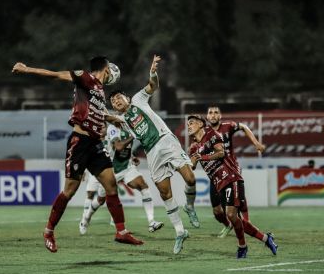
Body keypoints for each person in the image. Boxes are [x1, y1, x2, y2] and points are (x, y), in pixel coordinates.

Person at [12, 56, 143, 253]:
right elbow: (56, 75)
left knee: (110, 184)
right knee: (70, 191)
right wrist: (26, 69)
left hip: (96, 144)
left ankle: (121, 232)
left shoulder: (98, 89)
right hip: (79, 142)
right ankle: (48, 231)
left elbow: (95, 111)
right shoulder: (86, 77)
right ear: (106, 69)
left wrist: (109, 119)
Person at [109, 55, 199, 255]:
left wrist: (153, 71)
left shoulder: (139, 99)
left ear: (126, 98)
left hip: (166, 141)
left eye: (118, 98)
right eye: (113, 101)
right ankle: (180, 232)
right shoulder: (121, 121)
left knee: (190, 177)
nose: (116, 101)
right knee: (165, 193)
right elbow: (113, 126)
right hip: (151, 152)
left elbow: (153, 84)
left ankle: (190, 207)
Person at [187, 114, 277, 259]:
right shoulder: (194, 147)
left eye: (191, 123)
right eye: (187, 124)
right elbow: (191, 166)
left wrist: (202, 157)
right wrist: (182, 161)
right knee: (235, 218)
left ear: (201, 124)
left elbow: (221, 152)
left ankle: (242, 247)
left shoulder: (211, 134)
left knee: (231, 215)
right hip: (218, 184)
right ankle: (266, 239)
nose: (189, 126)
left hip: (231, 178)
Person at [79, 123, 164, 234]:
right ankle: (86, 219)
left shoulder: (129, 128)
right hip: (110, 170)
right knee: (100, 200)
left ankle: (151, 222)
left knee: (143, 186)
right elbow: (119, 146)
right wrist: (133, 136)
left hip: (127, 168)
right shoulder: (112, 128)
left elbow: (126, 146)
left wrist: (132, 156)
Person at [205, 105, 262, 237]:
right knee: (217, 211)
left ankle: (246, 220)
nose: (213, 115)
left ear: (220, 116)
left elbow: (243, 126)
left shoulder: (228, 126)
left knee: (237, 193)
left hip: (231, 167)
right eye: (210, 113)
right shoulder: (205, 133)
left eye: (216, 112)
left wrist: (256, 143)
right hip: (216, 173)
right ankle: (227, 225)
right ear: (207, 116)